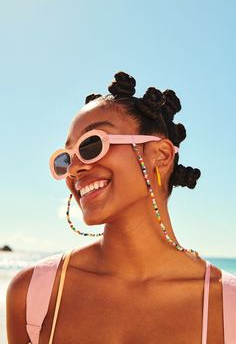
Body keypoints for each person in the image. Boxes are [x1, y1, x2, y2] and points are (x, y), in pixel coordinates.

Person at [6, 71, 236, 344]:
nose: (75, 169)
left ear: (161, 155)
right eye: (66, 159)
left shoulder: (227, 305)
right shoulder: (33, 294)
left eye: (92, 145)